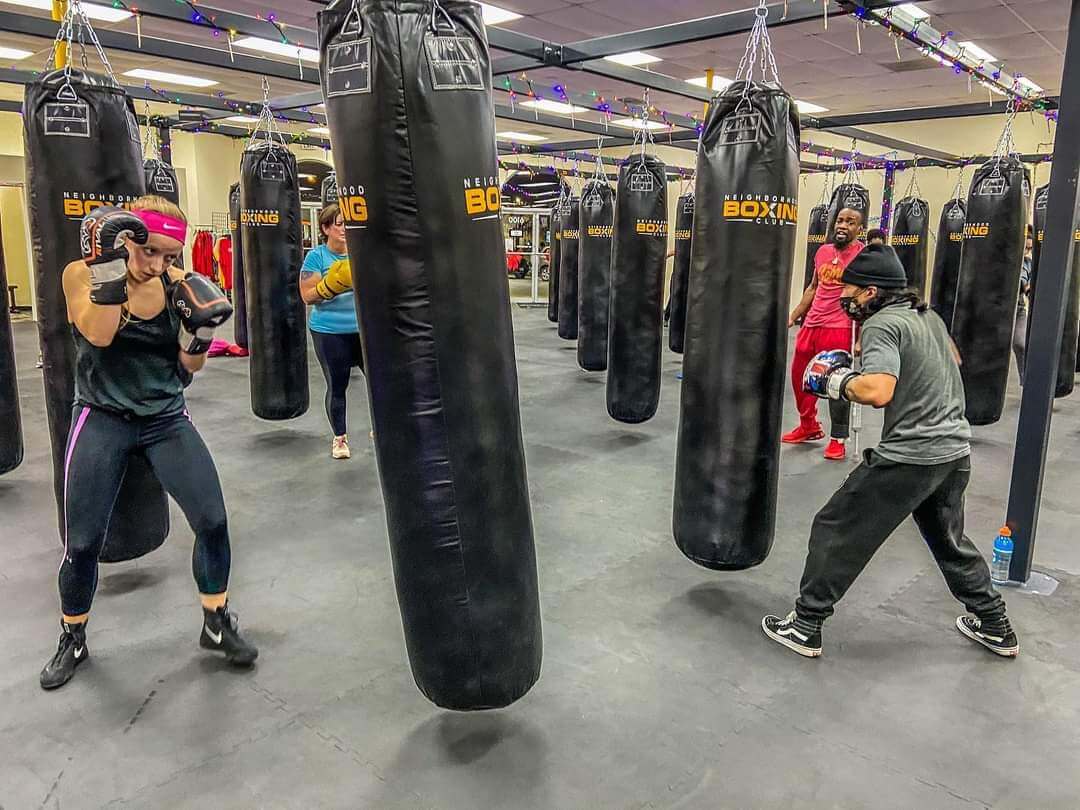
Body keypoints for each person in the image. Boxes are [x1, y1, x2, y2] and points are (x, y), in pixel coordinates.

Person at [41, 196, 258, 690]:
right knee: (83, 541)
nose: (160, 264)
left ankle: (215, 621)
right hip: (102, 418)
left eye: (170, 255)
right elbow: (96, 334)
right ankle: (72, 636)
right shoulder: (82, 274)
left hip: (164, 418)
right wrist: (113, 269)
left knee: (214, 520)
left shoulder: (178, 285)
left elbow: (187, 371)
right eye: (151, 251)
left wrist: (199, 336)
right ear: (126, 242)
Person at [762, 244, 1018, 659]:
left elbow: (879, 392)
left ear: (870, 292)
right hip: (953, 452)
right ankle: (996, 625)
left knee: (835, 527)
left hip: (911, 457)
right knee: (948, 540)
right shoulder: (927, 316)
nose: (843, 297)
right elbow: (952, 357)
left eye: (848, 289)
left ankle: (806, 626)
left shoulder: (882, 324)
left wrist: (837, 381)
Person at [784, 208, 865, 460]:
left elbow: (866, 296)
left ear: (858, 229)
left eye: (850, 222)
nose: (843, 225)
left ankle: (837, 439)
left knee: (836, 382)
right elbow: (813, 287)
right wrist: (792, 316)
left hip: (840, 326)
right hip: (812, 324)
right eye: (840, 220)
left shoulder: (862, 255)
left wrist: (862, 337)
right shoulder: (822, 251)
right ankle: (808, 425)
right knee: (800, 376)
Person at [298, 203, 363, 460]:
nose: (345, 229)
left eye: (348, 223)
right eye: (339, 223)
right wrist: (330, 286)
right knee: (338, 386)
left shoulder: (360, 253)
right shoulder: (317, 257)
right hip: (330, 332)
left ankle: (382, 430)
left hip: (363, 331)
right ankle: (339, 438)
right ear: (326, 228)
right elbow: (307, 296)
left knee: (381, 384)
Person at [1012, 227, 1034, 385]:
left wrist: (1028, 288)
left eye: (1029, 248)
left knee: (1021, 343)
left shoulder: (1028, 263)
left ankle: (1027, 383)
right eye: (1024, 247)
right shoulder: (1007, 260)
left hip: (1019, 308)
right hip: (1000, 309)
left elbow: (1028, 286)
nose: (1026, 251)